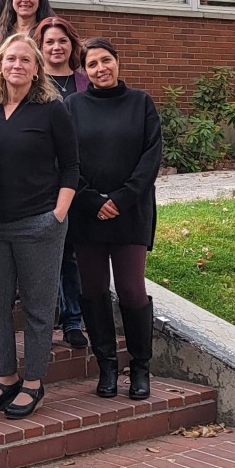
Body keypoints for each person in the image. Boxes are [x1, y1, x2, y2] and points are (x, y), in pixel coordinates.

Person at [0, 34, 79, 419]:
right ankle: (5, 376)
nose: (17, 65)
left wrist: (58, 215)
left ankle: (34, 382)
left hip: (39, 224)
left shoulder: (52, 109)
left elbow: (71, 167)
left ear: (36, 69)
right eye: (10, 59)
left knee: (37, 307)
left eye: (25, 60)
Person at [64, 37, 161, 400]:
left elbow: (151, 157)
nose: (101, 69)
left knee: (132, 290)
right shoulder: (73, 105)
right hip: (88, 214)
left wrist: (120, 199)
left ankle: (140, 366)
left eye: (106, 61)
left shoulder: (141, 103)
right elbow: (67, 159)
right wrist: (91, 200)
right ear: (84, 71)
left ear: (117, 62)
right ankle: (106, 365)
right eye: (92, 64)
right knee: (92, 290)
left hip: (130, 212)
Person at [34, 17, 90, 350]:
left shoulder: (85, 82)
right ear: (39, 48)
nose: (56, 47)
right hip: (43, 181)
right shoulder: (33, 83)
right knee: (48, 253)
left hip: (80, 179)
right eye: (49, 42)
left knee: (72, 254)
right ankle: (51, 315)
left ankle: (73, 320)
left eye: (62, 41)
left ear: (72, 45)